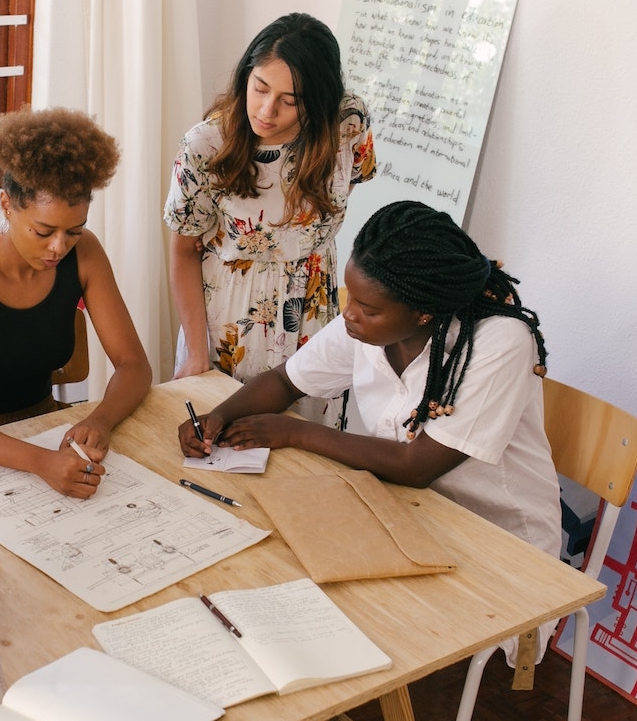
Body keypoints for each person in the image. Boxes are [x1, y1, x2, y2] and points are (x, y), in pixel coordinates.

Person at [179, 200, 560, 657]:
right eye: (350, 298)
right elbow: (285, 380)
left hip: (498, 544)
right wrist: (219, 416)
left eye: (368, 309)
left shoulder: (497, 343)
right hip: (407, 512)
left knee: (335, 618)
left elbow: (416, 464)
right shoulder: (366, 325)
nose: (350, 314)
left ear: (423, 313)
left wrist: (295, 432)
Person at [0, 107, 152, 500]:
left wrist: (101, 419)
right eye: (43, 232)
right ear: (7, 205)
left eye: (73, 231)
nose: (59, 247)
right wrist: (41, 462)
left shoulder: (85, 253)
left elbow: (134, 365)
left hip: (42, 427)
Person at [165, 12, 378, 423]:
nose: (266, 110)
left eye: (290, 100)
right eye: (259, 87)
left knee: (308, 449)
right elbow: (182, 251)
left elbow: (339, 196)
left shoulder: (348, 122)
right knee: (223, 442)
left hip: (315, 311)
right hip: (232, 317)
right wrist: (195, 352)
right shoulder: (206, 145)